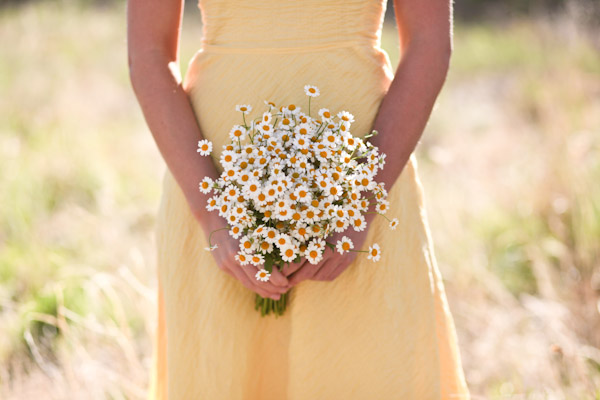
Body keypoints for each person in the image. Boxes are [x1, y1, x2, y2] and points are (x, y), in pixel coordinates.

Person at [127, 0, 471, 398]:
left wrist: (359, 204)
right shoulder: (212, 206)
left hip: (363, 171)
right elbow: (148, 52)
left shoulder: (362, 201)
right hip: (214, 177)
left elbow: (429, 42)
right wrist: (213, 215)